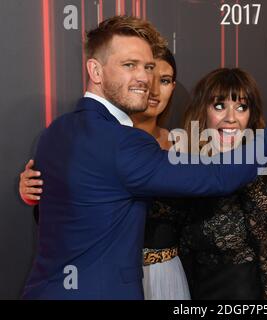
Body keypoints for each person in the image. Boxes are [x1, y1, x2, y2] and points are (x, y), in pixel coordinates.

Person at [21, 15, 267, 299]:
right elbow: (218, 176)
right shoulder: (123, 143)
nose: (144, 78)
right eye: (129, 65)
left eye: (147, 66)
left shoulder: (55, 132)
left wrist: (32, 195)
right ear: (95, 71)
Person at [20, 47, 191, 300]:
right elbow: (59, 220)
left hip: (168, 277)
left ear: (173, 87)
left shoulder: (187, 145)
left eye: (164, 80)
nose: (152, 89)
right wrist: (32, 194)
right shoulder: (88, 143)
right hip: (105, 280)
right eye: (143, 75)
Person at [178, 68, 267, 300]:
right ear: (202, 111)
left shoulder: (257, 175)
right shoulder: (187, 165)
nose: (231, 118)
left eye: (242, 107)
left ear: (251, 116)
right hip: (192, 291)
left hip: (240, 293)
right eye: (219, 106)